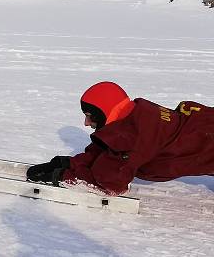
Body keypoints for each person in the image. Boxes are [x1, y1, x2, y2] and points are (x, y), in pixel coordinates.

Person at [26, 81, 214, 195]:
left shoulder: (132, 137)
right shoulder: (136, 113)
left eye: (90, 115)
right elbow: (110, 147)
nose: (85, 122)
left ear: (104, 113)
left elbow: (111, 183)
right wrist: (72, 163)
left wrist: (64, 177)